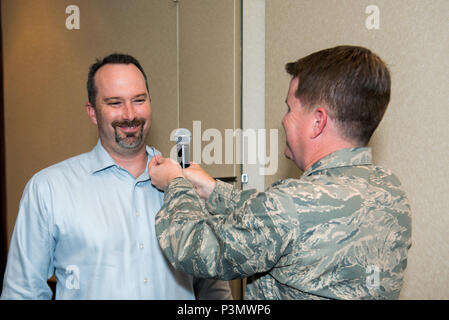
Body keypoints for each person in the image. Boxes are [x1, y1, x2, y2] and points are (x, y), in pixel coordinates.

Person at [148, 45, 412, 300]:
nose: (284, 119)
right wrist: (213, 190)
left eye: (290, 108)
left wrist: (175, 183)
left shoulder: (290, 205)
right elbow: (277, 219)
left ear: (318, 122)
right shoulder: (390, 190)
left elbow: (192, 247)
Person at [1, 53, 232, 300]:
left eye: (139, 100)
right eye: (114, 103)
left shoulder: (187, 186)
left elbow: (213, 288)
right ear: (92, 112)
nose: (130, 114)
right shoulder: (48, 189)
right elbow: (22, 292)